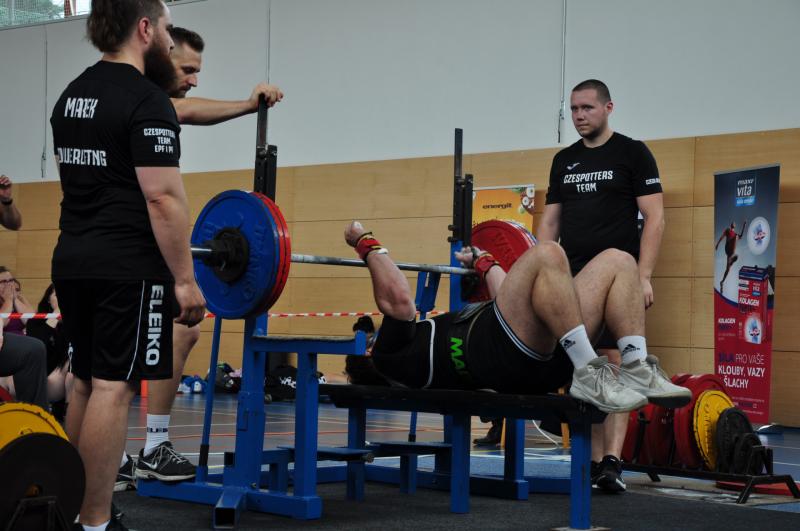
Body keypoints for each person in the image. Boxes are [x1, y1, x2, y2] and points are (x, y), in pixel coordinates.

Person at [50, 1, 205, 529]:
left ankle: (61, 510)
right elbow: (163, 199)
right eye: (166, 29)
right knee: (113, 386)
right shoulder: (146, 99)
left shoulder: (71, 95)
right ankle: (95, 521)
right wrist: (184, 280)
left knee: (85, 383)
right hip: (126, 266)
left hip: (73, 259)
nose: (170, 40)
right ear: (144, 29)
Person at [126, 26, 284, 487]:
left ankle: (143, 450)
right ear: (160, 55)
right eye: (188, 69)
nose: (194, 80)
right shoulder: (141, 99)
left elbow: (185, 109)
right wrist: (247, 104)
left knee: (178, 331)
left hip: (133, 242)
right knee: (124, 356)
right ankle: (137, 453)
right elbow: (186, 110)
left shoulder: (141, 101)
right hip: (126, 245)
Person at [341, 221, 689, 416]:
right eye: (369, 339)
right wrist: (365, 243)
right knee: (547, 253)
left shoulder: (414, 356)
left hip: (536, 355)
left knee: (619, 261)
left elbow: (507, 300)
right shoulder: (388, 358)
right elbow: (398, 298)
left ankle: (635, 365)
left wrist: (484, 263)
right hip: (504, 355)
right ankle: (589, 371)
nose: (374, 335)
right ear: (369, 352)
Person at [537, 79, 665, 492]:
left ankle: (612, 460)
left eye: (587, 108)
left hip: (619, 281)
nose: (579, 116)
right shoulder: (564, 160)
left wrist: (643, 276)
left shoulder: (633, 153)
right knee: (585, 367)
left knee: (616, 362)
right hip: (573, 280)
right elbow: (550, 223)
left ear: (608, 107)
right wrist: (540, 273)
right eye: (574, 109)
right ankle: (593, 462)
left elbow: (655, 218)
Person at [0, 265, 48, 409]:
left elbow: (31, 322)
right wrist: (8, 300)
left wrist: (15, 300)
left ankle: (34, 412)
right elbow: (3, 321)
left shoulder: (19, 298)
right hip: (7, 350)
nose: (9, 285)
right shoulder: (6, 303)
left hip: (23, 348)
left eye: (11, 280)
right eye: (3, 282)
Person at [25, 284, 74, 421]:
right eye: (58, 295)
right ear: (48, 299)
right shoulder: (35, 322)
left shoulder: (75, 323)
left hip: (68, 375)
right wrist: (54, 317)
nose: (63, 299)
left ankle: (69, 412)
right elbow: (38, 345)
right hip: (43, 377)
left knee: (73, 366)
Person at [715, 220, 747, 293]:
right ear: (731, 225)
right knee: (736, 237)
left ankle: (722, 282)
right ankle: (731, 260)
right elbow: (722, 237)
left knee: (728, 269)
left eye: (734, 223)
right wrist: (717, 244)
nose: (733, 223)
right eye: (733, 222)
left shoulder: (735, 234)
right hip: (727, 248)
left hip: (731, 253)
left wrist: (744, 226)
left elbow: (741, 236)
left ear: (735, 226)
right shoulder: (728, 230)